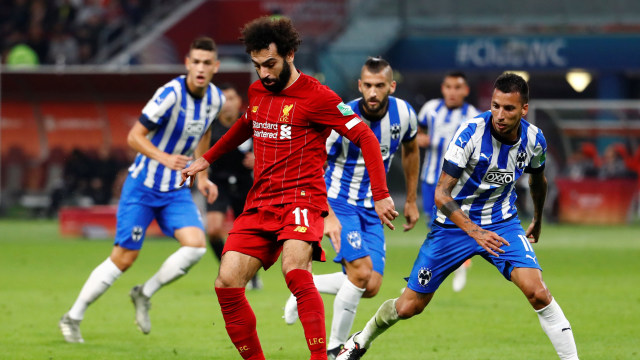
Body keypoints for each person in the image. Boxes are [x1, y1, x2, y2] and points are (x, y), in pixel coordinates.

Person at [181, 16, 399, 360]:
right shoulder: (257, 91)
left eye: (270, 64)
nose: (264, 73)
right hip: (260, 203)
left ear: (290, 54)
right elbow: (244, 125)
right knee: (226, 282)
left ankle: (319, 357)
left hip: (302, 200)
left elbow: (365, 137)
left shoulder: (319, 97)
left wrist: (382, 193)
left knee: (295, 271)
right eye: (257, 66)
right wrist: (207, 158)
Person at [337, 73, 579, 360]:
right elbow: (441, 194)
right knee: (408, 307)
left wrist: (537, 218)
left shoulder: (534, 138)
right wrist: (474, 231)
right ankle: (359, 341)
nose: (500, 115)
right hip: (452, 227)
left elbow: (538, 179)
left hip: (502, 223)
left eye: (509, 108)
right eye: (495, 106)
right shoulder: (470, 135)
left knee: (538, 293)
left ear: (524, 109)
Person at [59, 36, 222, 343]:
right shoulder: (171, 94)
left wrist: (202, 176)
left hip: (175, 191)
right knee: (123, 259)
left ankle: (144, 293)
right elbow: (134, 136)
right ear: (188, 64)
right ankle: (72, 316)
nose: (200, 68)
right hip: (143, 187)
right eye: (195, 62)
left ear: (215, 66)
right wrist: (164, 158)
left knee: (196, 247)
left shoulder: (214, 98)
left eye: (206, 63)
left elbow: (205, 132)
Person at [282, 57, 420, 359]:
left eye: (379, 86)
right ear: (359, 86)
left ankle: (306, 287)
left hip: (374, 208)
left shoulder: (405, 114)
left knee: (371, 285)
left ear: (391, 87)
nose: (373, 92)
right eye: (367, 86)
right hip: (339, 202)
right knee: (360, 273)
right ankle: (334, 349)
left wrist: (411, 198)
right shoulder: (341, 117)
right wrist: (326, 212)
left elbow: (411, 150)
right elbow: (314, 162)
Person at [417, 71, 480, 292]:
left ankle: (453, 267)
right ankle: (435, 273)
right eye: (449, 87)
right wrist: (419, 138)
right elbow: (417, 132)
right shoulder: (430, 109)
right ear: (443, 89)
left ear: (465, 91)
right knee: (433, 226)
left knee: (453, 225)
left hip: (457, 183)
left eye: (457, 87)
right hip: (429, 179)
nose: (452, 92)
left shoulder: (473, 115)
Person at [205, 83, 262, 289]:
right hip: (218, 183)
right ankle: (228, 270)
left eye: (231, 98)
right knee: (212, 230)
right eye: (223, 99)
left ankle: (251, 274)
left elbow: (268, 148)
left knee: (247, 236)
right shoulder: (210, 126)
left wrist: (258, 158)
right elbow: (199, 153)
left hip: (245, 183)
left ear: (239, 101)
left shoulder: (250, 122)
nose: (227, 104)